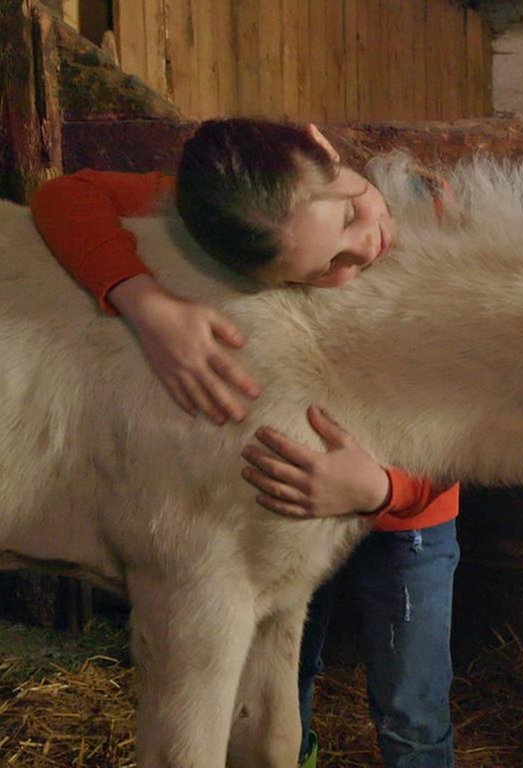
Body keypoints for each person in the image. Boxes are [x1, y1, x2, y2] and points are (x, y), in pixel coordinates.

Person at [31, 118, 459, 768]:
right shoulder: (222, 219)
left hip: (413, 515)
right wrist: (147, 302)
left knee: (412, 697)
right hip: (298, 498)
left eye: (349, 214)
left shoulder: (435, 222)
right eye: (327, 270)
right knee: (289, 669)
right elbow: (61, 198)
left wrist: (381, 488)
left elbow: (460, 417)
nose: (365, 249)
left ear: (321, 146)